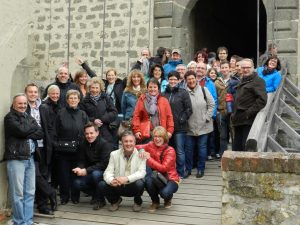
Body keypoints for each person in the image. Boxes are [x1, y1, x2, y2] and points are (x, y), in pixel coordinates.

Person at [4, 93, 43, 225]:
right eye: (20, 103)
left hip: (30, 158)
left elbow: (40, 133)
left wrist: (27, 130)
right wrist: (29, 129)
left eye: (25, 104)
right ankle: (19, 222)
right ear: (14, 104)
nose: (23, 106)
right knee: (18, 194)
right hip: (16, 159)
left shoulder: (28, 116)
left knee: (30, 192)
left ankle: (28, 221)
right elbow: (21, 130)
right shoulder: (9, 118)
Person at [25, 84, 57, 215]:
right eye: (30, 92)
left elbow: (49, 127)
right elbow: (23, 129)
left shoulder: (44, 107)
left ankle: (42, 205)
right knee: (35, 174)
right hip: (28, 147)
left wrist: (49, 140)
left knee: (43, 174)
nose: (33, 94)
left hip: (43, 146)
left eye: (35, 92)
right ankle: (50, 192)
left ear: (38, 94)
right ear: (26, 93)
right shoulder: (22, 105)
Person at [54, 90, 89, 205]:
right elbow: (55, 131)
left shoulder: (83, 114)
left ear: (79, 100)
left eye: (75, 98)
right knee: (63, 174)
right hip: (63, 150)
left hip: (79, 150)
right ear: (67, 100)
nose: (73, 100)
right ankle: (64, 197)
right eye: (71, 98)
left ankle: (75, 196)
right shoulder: (61, 113)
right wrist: (56, 144)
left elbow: (87, 130)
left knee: (76, 174)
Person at [98, 131, 146, 212]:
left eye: (131, 141)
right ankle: (115, 201)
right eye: (126, 141)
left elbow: (142, 172)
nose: (128, 144)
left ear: (135, 142)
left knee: (140, 183)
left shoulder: (141, 155)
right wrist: (111, 180)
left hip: (132, 186)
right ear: (121, 142)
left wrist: (127, 178)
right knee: (102, 184)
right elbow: (107, 172)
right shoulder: (114, 154)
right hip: (118, 185)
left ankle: (137, 202)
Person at [137, 126, 180, 212]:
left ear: (164, 138)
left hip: (170, 178)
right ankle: (155, 201)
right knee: (148, 180)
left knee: (164, 193)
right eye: (155, 136)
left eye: (160, 136)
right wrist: (141, 150)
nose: (157, 139)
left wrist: (149, 158)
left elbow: (164, 168)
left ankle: (168, 199)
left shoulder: (170, 150)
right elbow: (137, 146)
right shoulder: (150, 145)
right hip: (155, 176)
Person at [72, 122, 112, 210]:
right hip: (89, 171)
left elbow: (104, 164)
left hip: (103, 173)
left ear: (97, 133)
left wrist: (86, 170)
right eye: (87, 133)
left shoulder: (105, 144)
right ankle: (95, 194)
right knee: (77, 183)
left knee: (96, 174)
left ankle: (100, 200)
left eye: (91, 133)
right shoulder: (83, 143)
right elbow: (81, 160)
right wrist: (80, 168)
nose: (89, 136)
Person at [231, 58, 267, 151]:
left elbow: (262, 100)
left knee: (245, 148)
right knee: (236, 148)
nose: (246, 69)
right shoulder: (243, 79)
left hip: (248, 120)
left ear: (253, 68)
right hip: (238, 119)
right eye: (243, 67)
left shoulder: (258, 81)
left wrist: (248, 113)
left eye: (248, 67)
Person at [184, 71, 215, 178]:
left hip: (204, 125)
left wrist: (206, 117)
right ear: (186, 81)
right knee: (188, 149)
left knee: (202, 148)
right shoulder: (184, 92)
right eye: (189, 79)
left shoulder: (204, 90)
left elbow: (212, 104)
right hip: (189, 126)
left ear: (196, 79)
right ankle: (188, 169)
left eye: (193, 78)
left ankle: (200, 169)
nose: (191, 81)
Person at [162, 71, 192, 178]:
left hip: (180, 127)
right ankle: (170, 171)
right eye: (171, 79)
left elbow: (189, 109)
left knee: (179, 151)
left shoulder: (183, 93)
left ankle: (180, 172)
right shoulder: (163, 94)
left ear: (179, 80)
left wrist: (182, 119)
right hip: (166, 128)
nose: (173, 81)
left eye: (175, 79)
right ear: (168, 80)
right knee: (168, 151)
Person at [132, 78, 174, 144]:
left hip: (161, 133)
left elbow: (169, 117)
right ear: (147, 88)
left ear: (158, 88)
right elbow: (136, 116)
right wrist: (137, 130)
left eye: (155, 87)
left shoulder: (164, 100)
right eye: (150, 87)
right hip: (146, 134)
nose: (152, 89)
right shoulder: (142, 100)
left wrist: (170, 131)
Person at [80, 77, 118, 144]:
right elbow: (82, 115)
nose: (95, 90)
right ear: (89, 88)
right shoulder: (84, 101)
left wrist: (102, 119)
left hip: (105, 132)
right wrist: (93, 120)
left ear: (100, 88)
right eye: (93, 87)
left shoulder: (106, 98)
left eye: (97, 88)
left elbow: (114, 112)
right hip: (90, 133)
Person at [40, 85, 61, 188]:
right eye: (53, 93)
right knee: (46, 172)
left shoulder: (57, 105)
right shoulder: (44, 107)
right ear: (48, 94)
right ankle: (45, 196)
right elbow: (46, 128)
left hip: (54, 142)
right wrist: (51, 144)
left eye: (57, 94)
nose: (55, 96)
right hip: (48, 143)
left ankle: (50, 193)